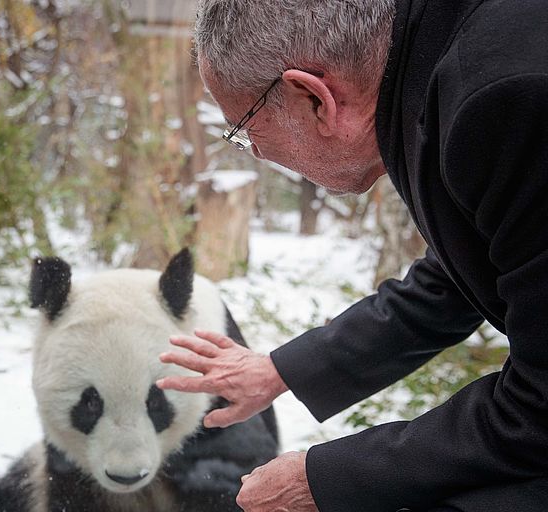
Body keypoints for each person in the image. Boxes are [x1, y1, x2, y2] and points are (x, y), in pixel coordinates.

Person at [157, 1, 548, 511]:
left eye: (244, 126)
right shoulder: (426, 62)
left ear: (315, 97)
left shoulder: (504, 99)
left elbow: (539, 407)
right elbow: (461, 272)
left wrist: (323, 478)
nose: (254, 151)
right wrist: (280, 370)